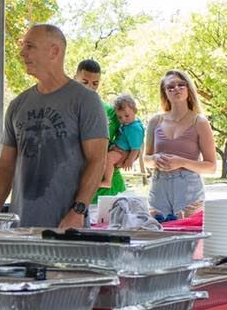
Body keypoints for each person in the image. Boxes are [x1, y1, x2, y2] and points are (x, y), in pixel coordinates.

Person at [0, 25, 108, 228]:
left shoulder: (85, 100)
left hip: (67, 228)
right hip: (21, 229)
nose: (22, 52)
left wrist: (78, 211)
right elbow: (5, 165)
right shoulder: (18, 104)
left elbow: (97, 160)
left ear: (54, 51)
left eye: (30, 46)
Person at [144, 70, 216, 219]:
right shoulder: (155, 121)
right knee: (158, 236)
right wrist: (155, 159)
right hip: (159, 187)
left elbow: (211, 167)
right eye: (170, 87)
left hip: (189, 187)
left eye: (181, 85)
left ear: (188, 89)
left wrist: (181, 162)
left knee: (188, 237)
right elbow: (145, 160)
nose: (176, 89)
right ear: (165, 93)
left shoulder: (199, 122)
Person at [74, 59, 139, 200]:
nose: (89, 87)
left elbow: (135, 135)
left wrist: (128, 155)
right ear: (75, 79)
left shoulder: (111, 112)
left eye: (95, 83)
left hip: (110, 190)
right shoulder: (65, 110)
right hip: (77, 188)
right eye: (84, 82)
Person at [100, 94, 144, 189]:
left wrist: (130, 160)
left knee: (109, 158)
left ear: (135, 111)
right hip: (117, 148)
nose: (123, 119)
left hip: (122, 151)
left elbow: (136, 148)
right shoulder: (128, 125)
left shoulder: (134, 128)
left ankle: (107, 181)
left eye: (126, 116)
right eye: (120, 117)